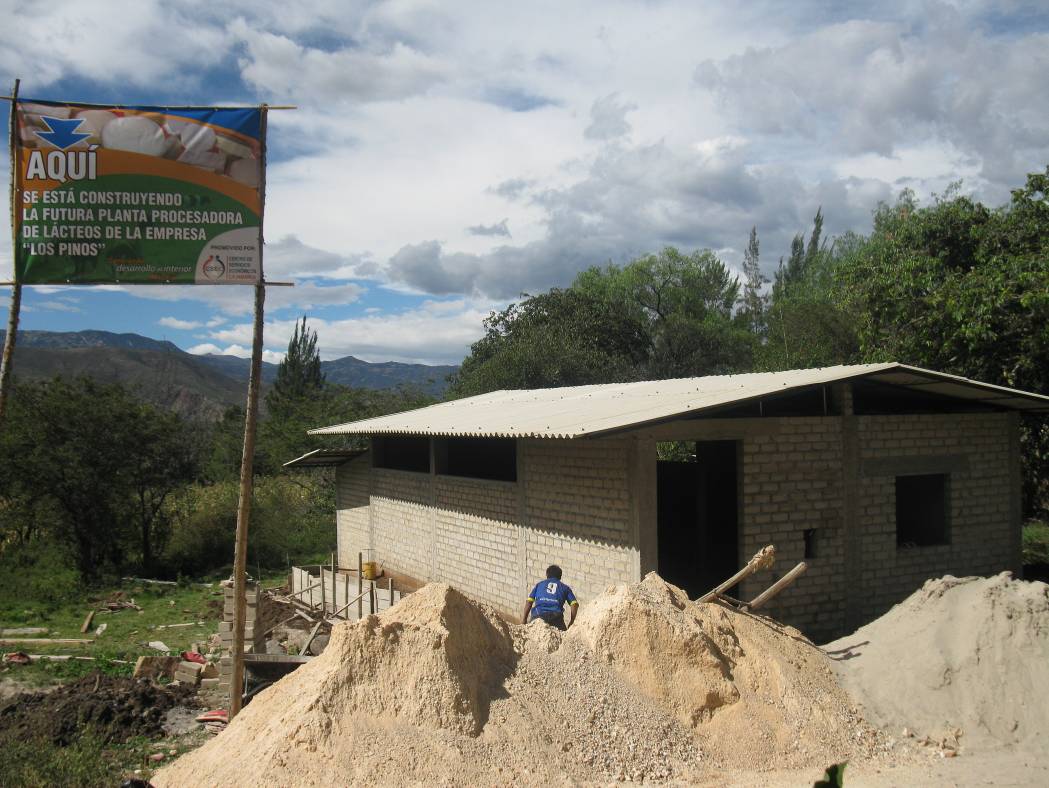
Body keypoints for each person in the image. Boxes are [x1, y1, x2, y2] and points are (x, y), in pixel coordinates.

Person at [522, 565, 578, 630]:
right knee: (564, 637)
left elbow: (529, 602)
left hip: (538, 615)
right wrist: (571, 622)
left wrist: (524, 619)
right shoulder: (565, 588)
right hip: (556, 617)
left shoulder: (539, 585)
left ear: (547, 575)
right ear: (560, 576)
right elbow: (574, 604)